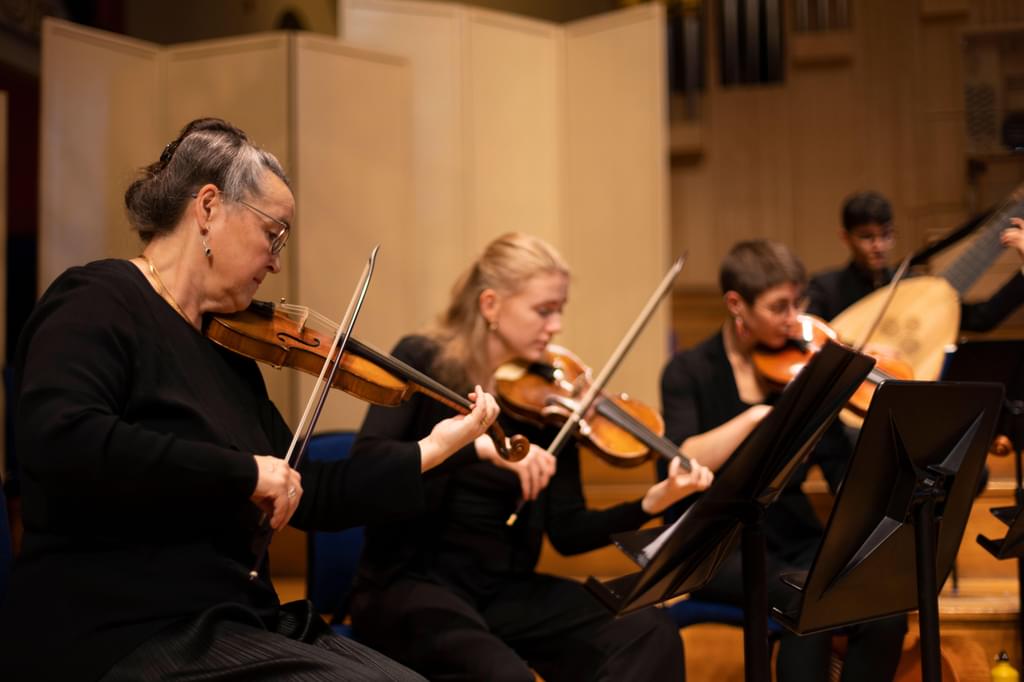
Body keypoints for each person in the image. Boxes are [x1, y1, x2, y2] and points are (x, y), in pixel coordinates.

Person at [0, 118, 503, 682]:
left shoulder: (228, 349)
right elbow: (63, 440)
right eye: (273, 234)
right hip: (120, 628)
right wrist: (241, 473)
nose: (276, 262)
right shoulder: (96, 300)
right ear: (209, 207)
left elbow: (304, 486)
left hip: (226, 620)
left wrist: (433, 449)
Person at [348, 232, 713, 682]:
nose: (556, 325)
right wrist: (481, 447)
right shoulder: (423, 361)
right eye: (544, 310)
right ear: (490, 306)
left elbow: (568, 530)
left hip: (501, 592)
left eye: (560, 309)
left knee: (646, 630)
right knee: (503, 675)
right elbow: (367, 462)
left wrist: (649, 504)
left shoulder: (548, 404)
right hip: (409, 586)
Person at [660, 240, 907, 682]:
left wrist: (863, 430)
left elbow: (841, 475)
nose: (795, 319)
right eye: (779, 307)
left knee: (882, 607)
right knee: (804, 600)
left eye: (799, 303)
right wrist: (763, 416)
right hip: (719, 546)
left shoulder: (803, 368)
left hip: (794, 537)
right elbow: (682, 460)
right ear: (737, 305)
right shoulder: (689, 372)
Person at [806, 190, 1024, 331]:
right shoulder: (826, 290)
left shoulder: (912, 286)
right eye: (866, 237)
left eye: (886, 235)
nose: (878, 246)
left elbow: (981, 319)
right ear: (845, 237)